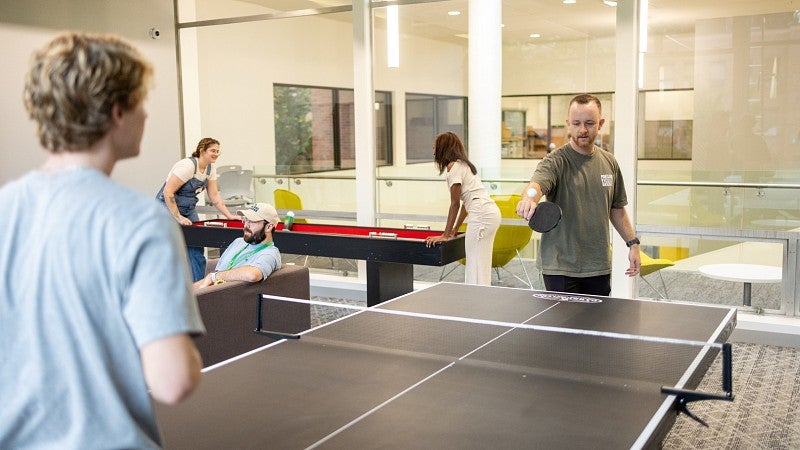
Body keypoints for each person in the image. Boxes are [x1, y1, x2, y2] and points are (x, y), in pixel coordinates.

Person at [0, 32, 204, 448]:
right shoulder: (142, 221)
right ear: (116, 112)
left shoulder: (5, 208)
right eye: (140, 102)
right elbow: (173, 382)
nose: (146, 114)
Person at [516, 93, 640, 295]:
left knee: (597, 325)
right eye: (576, 123)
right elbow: (537, 184)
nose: (582, 130)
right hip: (560, 267)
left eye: (589, 123)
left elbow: (616, 208)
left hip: (597, 265)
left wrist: (633, 243)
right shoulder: (555, 161)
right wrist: (528, 199)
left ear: (600, 124)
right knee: (564, 326)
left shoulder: (609, 162)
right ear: (568, 124)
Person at [156, 137, 238, 281]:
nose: (216, 154)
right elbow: (168, 193)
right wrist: (178, 217)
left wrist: (229, 216)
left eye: (218, 151)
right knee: (167, 249)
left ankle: (198, 288)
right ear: (202, 150)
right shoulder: (187, 166)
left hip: (188, 209)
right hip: (167, 209)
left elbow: (214, 195)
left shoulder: (210, 168)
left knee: (196, 247)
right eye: (213, 150)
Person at [425, 132, 501, 286]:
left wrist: (445, 235)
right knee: (482, 261)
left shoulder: (454, 167)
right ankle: (481, 299)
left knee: (474, 261)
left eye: (435, 145)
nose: (433, 149)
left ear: (443, 147)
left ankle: (473, 301)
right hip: (489, 212)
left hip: (481, 213)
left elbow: (455, 204)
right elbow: (466, 204)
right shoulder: (463, 165)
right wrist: (455, 229)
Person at [194, 203, 282, 290]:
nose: (246, 226)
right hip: (209, 292)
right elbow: (212, 276)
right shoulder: (239, 242)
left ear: (269, 227)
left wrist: (214, 277)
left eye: (252, 221)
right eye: (245, 220)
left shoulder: (270, 253)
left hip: (225, 298)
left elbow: (253, 275)